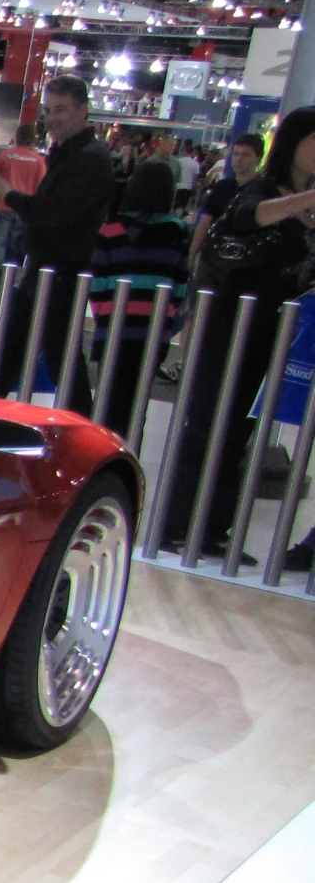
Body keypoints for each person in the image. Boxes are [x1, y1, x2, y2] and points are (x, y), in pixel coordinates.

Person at [164, 106, 315, 556]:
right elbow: (249, 216)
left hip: (276, 335)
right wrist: (304, 202)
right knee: (210, 424)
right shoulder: (265, 191)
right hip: (233, 326)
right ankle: (180, 525)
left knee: (238, 433)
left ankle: (211, 529)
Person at [0, 76, 113, 414]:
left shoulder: (89, 158)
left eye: (61, 109)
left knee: (57, 355)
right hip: (47, 267)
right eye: (48, 109)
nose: (53, 117)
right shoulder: (67, 154)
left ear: (83, 110)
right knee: (20, 349)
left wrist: (9, 194)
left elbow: (53, 214)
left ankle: (84, 426)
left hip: (62, 270)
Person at [85, 158, 190, 438]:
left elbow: (97, 284)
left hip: (115, 329)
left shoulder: (111, 228)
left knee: (108, 403)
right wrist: (167, 323)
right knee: (136, 406)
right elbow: (180, 287)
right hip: (153, 332)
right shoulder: (177, 232)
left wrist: (106, 318)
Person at [191, 132, 266, 280]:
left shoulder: (264, 190)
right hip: (214, 259)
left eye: (245, 155)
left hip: (247, 263)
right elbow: (205, 221)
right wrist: (193, 254)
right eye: (236, 154)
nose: (239, 160)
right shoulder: (222, 187)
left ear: (258, 157)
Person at [0, 122, 46, 278]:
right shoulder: (38, 160)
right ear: (32, 139)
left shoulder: (6, 155)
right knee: (15, 244)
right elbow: (42, 188)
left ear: (17, 137)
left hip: (3, 205)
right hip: (24, 208)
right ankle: (10, 274)